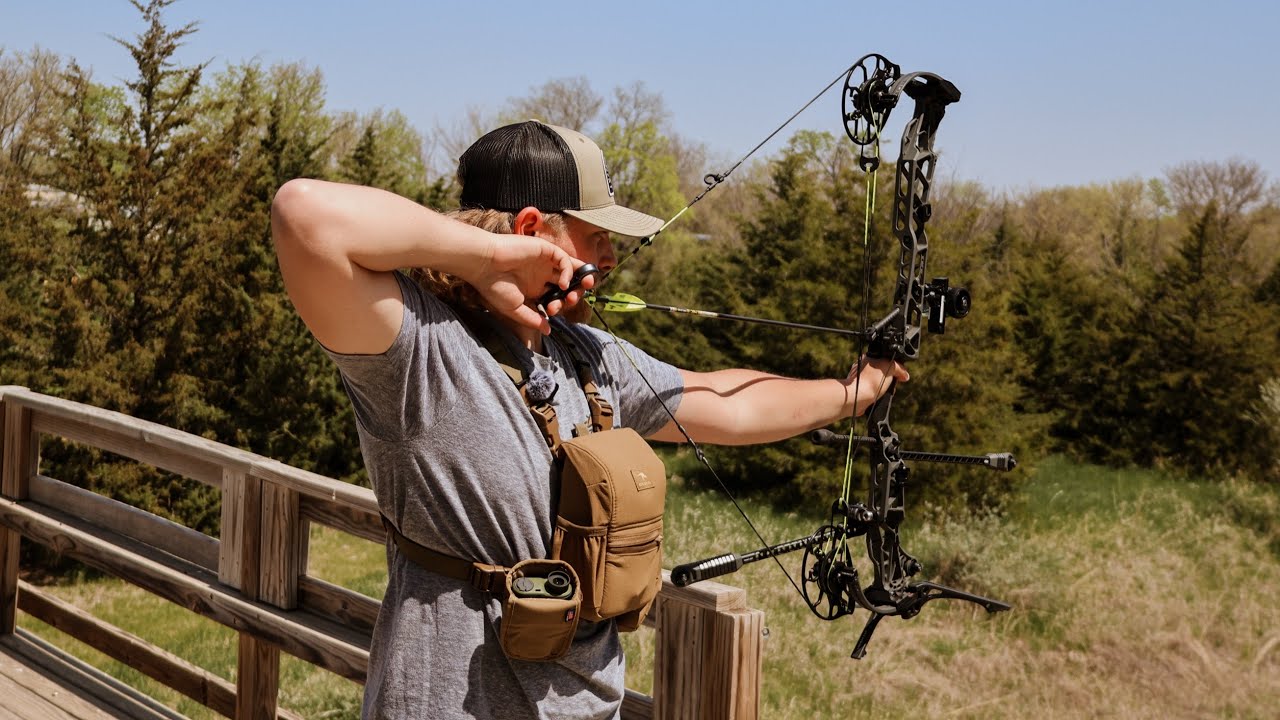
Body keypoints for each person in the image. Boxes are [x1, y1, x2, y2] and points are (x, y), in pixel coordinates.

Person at [271, 120, 908, 720]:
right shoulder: (419, 350)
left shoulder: (584, 356)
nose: (610, 254)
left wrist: (853, 391)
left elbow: (726, 402)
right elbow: (305, 215)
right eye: (594, 234)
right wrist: (490, 257)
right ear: (529, 228)